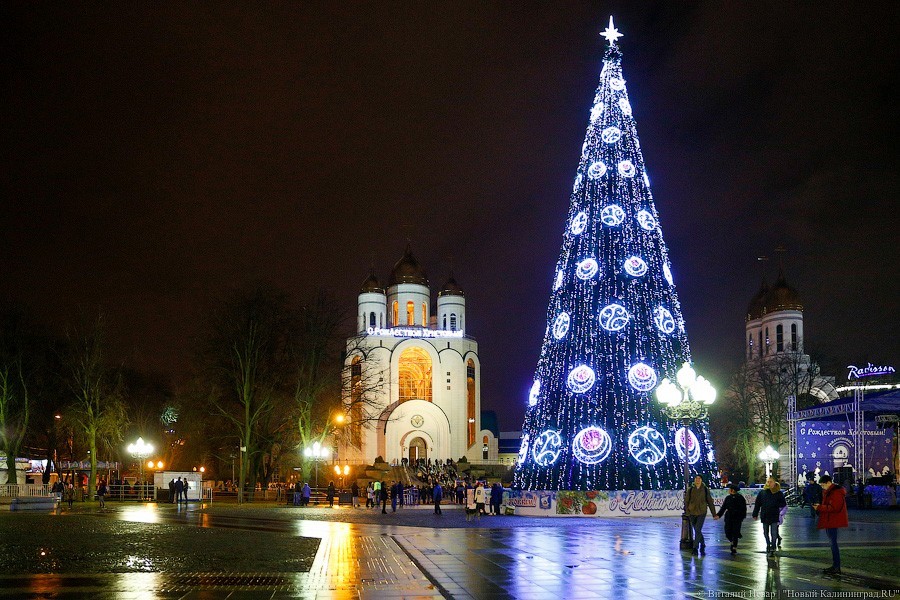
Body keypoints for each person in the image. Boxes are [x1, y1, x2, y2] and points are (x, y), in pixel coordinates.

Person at [814, 474, 848, 575]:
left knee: (833, 544)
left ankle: (836, 566)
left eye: (823, 485)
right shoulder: (829, 491)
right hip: (830, 520)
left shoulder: (835, 492)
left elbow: (834, 508)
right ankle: (835, 566)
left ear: (829, 483)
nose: (822, 487)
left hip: (833, 520)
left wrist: (819, 507)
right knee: (832, 543)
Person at [684, 475, 718, 555]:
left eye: (699, 479)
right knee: (696, 529)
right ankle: (702, 543)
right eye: (696, 479)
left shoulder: (705, 489)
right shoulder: (691, 489)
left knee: (698, 529)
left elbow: (710, 501)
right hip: (692, 512)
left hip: (702, 512)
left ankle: (695, 548)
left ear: (701, 480)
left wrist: (714, 514)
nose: (697, 480)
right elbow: (686, 501)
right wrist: (687, 511)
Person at [752, 477, 787, 557]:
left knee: (774, 533)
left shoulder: (778, 493)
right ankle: (768, 544)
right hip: (765, 515)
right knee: (765, 532)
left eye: (771, 482)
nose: (769, 483)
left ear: (774, 483)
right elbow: (757, 504)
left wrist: (776, 505)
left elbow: (783, 504)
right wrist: (755, 514)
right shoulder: (762, 493)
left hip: (774, 515)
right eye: (768, 482)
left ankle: (773, 546)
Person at [717, 483, 747, 554]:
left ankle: (734, 546)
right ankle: (732, 541)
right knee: (727, 531)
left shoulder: (740, 498)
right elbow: (723, 507)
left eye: (729, 489)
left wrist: (742, 517)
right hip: (729, 517)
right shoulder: (728, 498)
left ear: (732, 490)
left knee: (735, 532)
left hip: (737, 518)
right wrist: (718, 515)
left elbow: (743, 508)